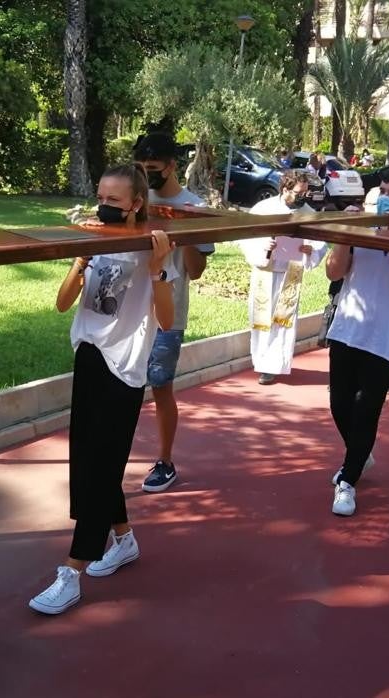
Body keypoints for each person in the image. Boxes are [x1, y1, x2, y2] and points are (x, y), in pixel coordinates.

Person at [28, 164, 174, 616]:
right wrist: (80, 258)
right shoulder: (96, 242)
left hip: (123, 367)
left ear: (135, 204)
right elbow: (62, 302)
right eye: (101, 197)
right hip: (89, 356)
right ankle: (124, 540)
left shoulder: (149, 245)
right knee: (90, 460)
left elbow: (166, 320)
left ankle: (72, 571)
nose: (103, 206)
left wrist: (157, 269)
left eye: (114, 200)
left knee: (99, 468)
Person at [324, 165, 389, 516]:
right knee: (339, 403)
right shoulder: (363, 225)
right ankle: (359, 453)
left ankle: (347, 480)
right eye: (382, 190)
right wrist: (343, 234)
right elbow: (334, 272)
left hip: (384, 339)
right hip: (347, 330)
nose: (385, 197)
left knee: (366, 409)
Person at [133, 133, 215, 493]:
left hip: (168, 313)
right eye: (141, 168)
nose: (146, 175)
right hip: (129, 311)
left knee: (161, 386)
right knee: (123, 387)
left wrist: (185, 232)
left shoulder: (192, 205)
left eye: (152, 169)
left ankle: (165, 461)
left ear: (171, 166)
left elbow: (196, 271)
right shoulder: (134, 198)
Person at [240, 171, 328, 385]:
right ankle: (261, 361)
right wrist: (263, 246)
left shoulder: (307, 212)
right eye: (299, 192)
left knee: (283, 320)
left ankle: (274, 365)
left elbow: (321, 242)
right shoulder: (264, 209)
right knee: (262, 318)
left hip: (291, 271)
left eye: (305, 193)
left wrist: (311, 250)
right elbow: (246, 235)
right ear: (285, 189)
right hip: (266, 270)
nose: (302, 197)